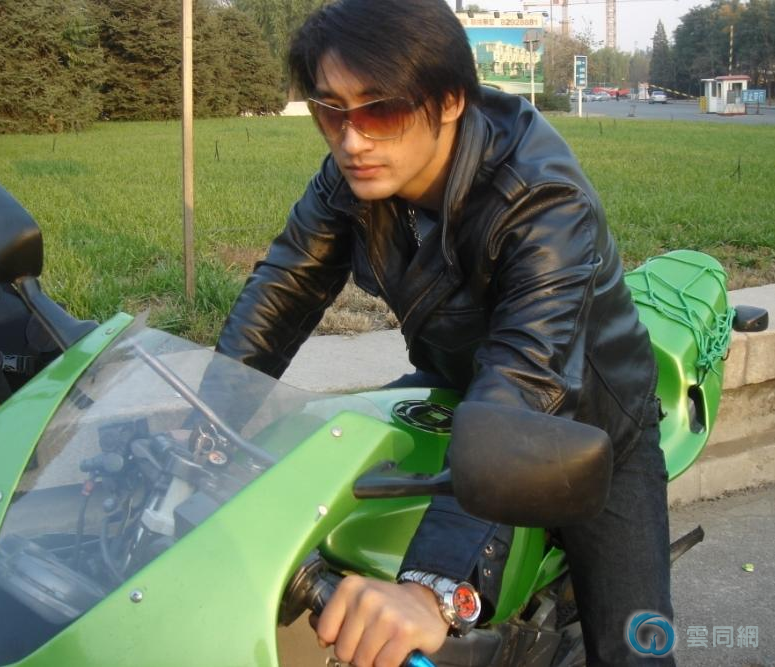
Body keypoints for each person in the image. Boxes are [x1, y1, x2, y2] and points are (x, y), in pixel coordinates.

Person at [216, 0, 673, 665]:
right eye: (331, 111)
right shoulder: (351, 179)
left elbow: (524, 386)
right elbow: (283, 289)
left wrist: (430, 590)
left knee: (635, 650)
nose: (352, 140)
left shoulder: (541, 200)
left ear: (451, 100)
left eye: (380, 110)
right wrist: (205, 415)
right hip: (452, 387)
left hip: (585, 422)